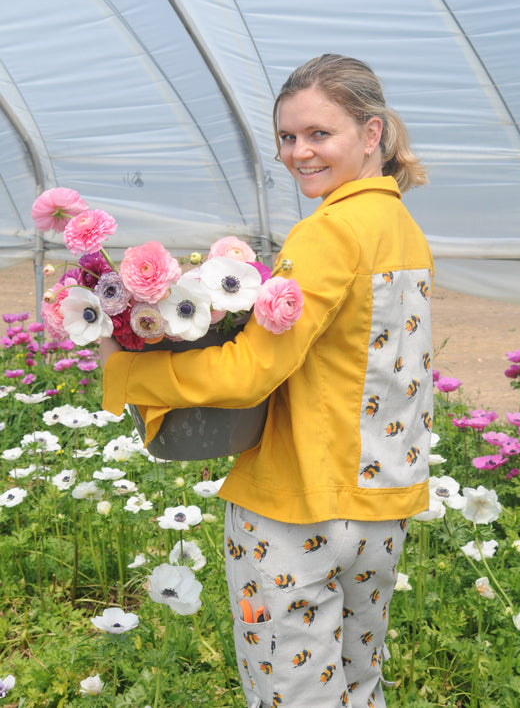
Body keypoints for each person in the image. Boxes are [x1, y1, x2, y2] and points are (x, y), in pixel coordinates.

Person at [100, 53, 434, 708]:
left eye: (318, 134)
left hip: (295, 509)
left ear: (370, 135)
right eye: (287, 137)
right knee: (359, 687)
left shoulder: (327, 233)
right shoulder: (402, 229)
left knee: (291, 695)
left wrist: (129, 364)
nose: (298, 153)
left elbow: (252, 370)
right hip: (380, 507)